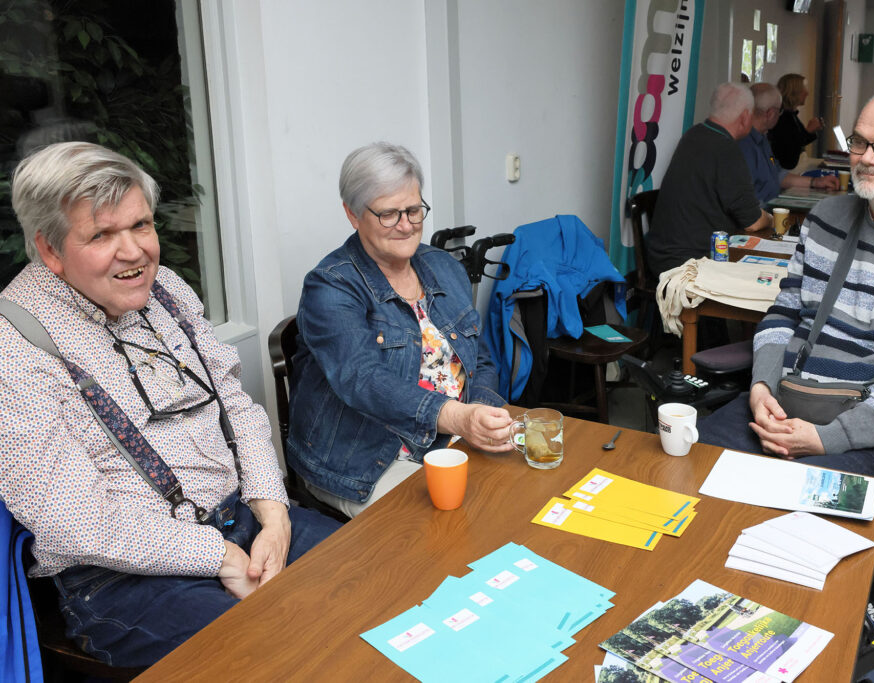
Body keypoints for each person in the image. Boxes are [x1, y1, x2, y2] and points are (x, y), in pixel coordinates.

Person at [0, 142, 341, 667]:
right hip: (123, 579)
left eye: (141, 225)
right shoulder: (14, 346)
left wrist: (273, 514)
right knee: (284, 653)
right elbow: (77, 523)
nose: (135, 252)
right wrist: (220, 557)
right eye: (102, 235)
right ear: (49, 250)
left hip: (239, 518)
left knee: (379, 574)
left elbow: (236, 406)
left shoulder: (166, 289)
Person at [699, 90, 874, 482]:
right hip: (783, 401)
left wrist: (829, 438)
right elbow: (783, 313)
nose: (867, 158)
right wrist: (762, 387)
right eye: (859, 142)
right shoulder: (824, 218)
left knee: (786, 524)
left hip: (869, 431)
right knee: (689, 475)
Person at [288, 142, 511, 519]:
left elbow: (481, 358)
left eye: (413, 210)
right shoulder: (330, 287)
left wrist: (482, 412)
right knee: (448, 527)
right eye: (389, 214)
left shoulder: (442, 266)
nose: (406, 225)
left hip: (450, 435)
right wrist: (457, 416)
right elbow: (362, 379)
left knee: (523, 495)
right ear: (353, 214)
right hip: (362, 460)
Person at [646, 82, 771, 278]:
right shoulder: (726, 150)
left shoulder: (694, 134)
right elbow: (753, 222)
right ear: (746, 117)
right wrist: (770, 218)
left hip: (663, 255)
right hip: (690, 263)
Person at [739, 83, 840, 205]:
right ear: (770, 114)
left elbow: (778, 175)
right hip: (760, 216)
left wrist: (815, 182)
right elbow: (742, 201)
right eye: (779, 110)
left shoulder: (762, 139)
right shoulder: (743, 144)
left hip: (772, 208)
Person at [769, 73, 824, 170]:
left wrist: (810, 131)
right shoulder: (781, 117)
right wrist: (808, 131)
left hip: (795, 166)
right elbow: (789, 151)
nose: (807, 93)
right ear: (794, 92)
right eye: (804, 89)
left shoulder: (790, 115)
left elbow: (797, 140)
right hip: (787, 170)